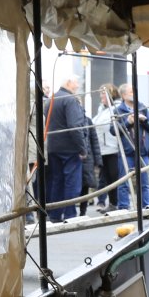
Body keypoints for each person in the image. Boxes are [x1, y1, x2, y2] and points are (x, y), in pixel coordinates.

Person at [43, 76, 90, 222]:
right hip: (70, 147)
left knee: (57, 181)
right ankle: (70, 214)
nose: (78, 85)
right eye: (76, 83)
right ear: (69, 83)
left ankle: (55, 215)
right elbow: (74, 126)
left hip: (53, 146)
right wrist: (82, 148)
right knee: (72, 182)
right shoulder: (70, 100)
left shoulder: (51, 100)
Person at [112, 83, 149, 209]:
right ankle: (124, 207)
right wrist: (128, 122)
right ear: (124, 95)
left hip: (142, 151)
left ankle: (146, 207)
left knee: (144, 183)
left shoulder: (142, 107)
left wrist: (144, 120)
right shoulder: (118, 110)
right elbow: (113, 131)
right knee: (124, 182)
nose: (134, 93)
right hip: (126, 152)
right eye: (131, 91)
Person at [91, 84, 123, 209]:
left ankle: (115, 203)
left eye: (102, 93)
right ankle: (109, 203)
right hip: (103, 149)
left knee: (113, 177)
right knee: (106, 177)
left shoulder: (116, 108)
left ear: (110, 94)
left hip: (112, 148)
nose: (100, 96)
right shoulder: (102, 109)